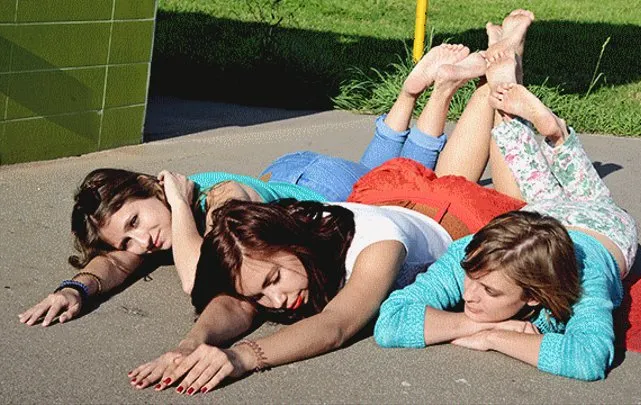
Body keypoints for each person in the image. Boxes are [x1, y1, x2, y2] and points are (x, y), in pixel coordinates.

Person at [127, 17, 536, 393]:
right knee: (458, 162)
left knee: (500, 133)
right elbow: (238, 302)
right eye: (263, 294)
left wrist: (241, 357)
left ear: (288, 242)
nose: (274, 302)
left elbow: (337, 325)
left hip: (452, 216)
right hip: (385, 197)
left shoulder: (377, 248)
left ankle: (507, 63)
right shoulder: (278, 253)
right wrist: (190, 344)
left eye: (272, 282)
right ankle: (483, 68)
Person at [18, 43, 473, 328]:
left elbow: (198, 279)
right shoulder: (156, 226)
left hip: (322, 192)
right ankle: (413, 92)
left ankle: (437, 92)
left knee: (409, 181)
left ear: (151, 183)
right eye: (128, 237)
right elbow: (115, 262)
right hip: (287, 174)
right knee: (382, 172)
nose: (143, 241)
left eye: (136, 220)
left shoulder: (217, 197)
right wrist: (74, 290)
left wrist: (180, 207)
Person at [373, 13, 638, 381]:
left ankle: (552, 132)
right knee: (536, 186)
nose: (470, 296)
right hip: (539, 218)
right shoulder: (476, 255)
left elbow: (586, 359)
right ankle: (547, 128)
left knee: (580, 193)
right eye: (472, 280)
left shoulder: (583, 278)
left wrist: (494, 337)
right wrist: (472, 325)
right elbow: (391, 321)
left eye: (490, 291)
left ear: (534, 296)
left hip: (604, 229)